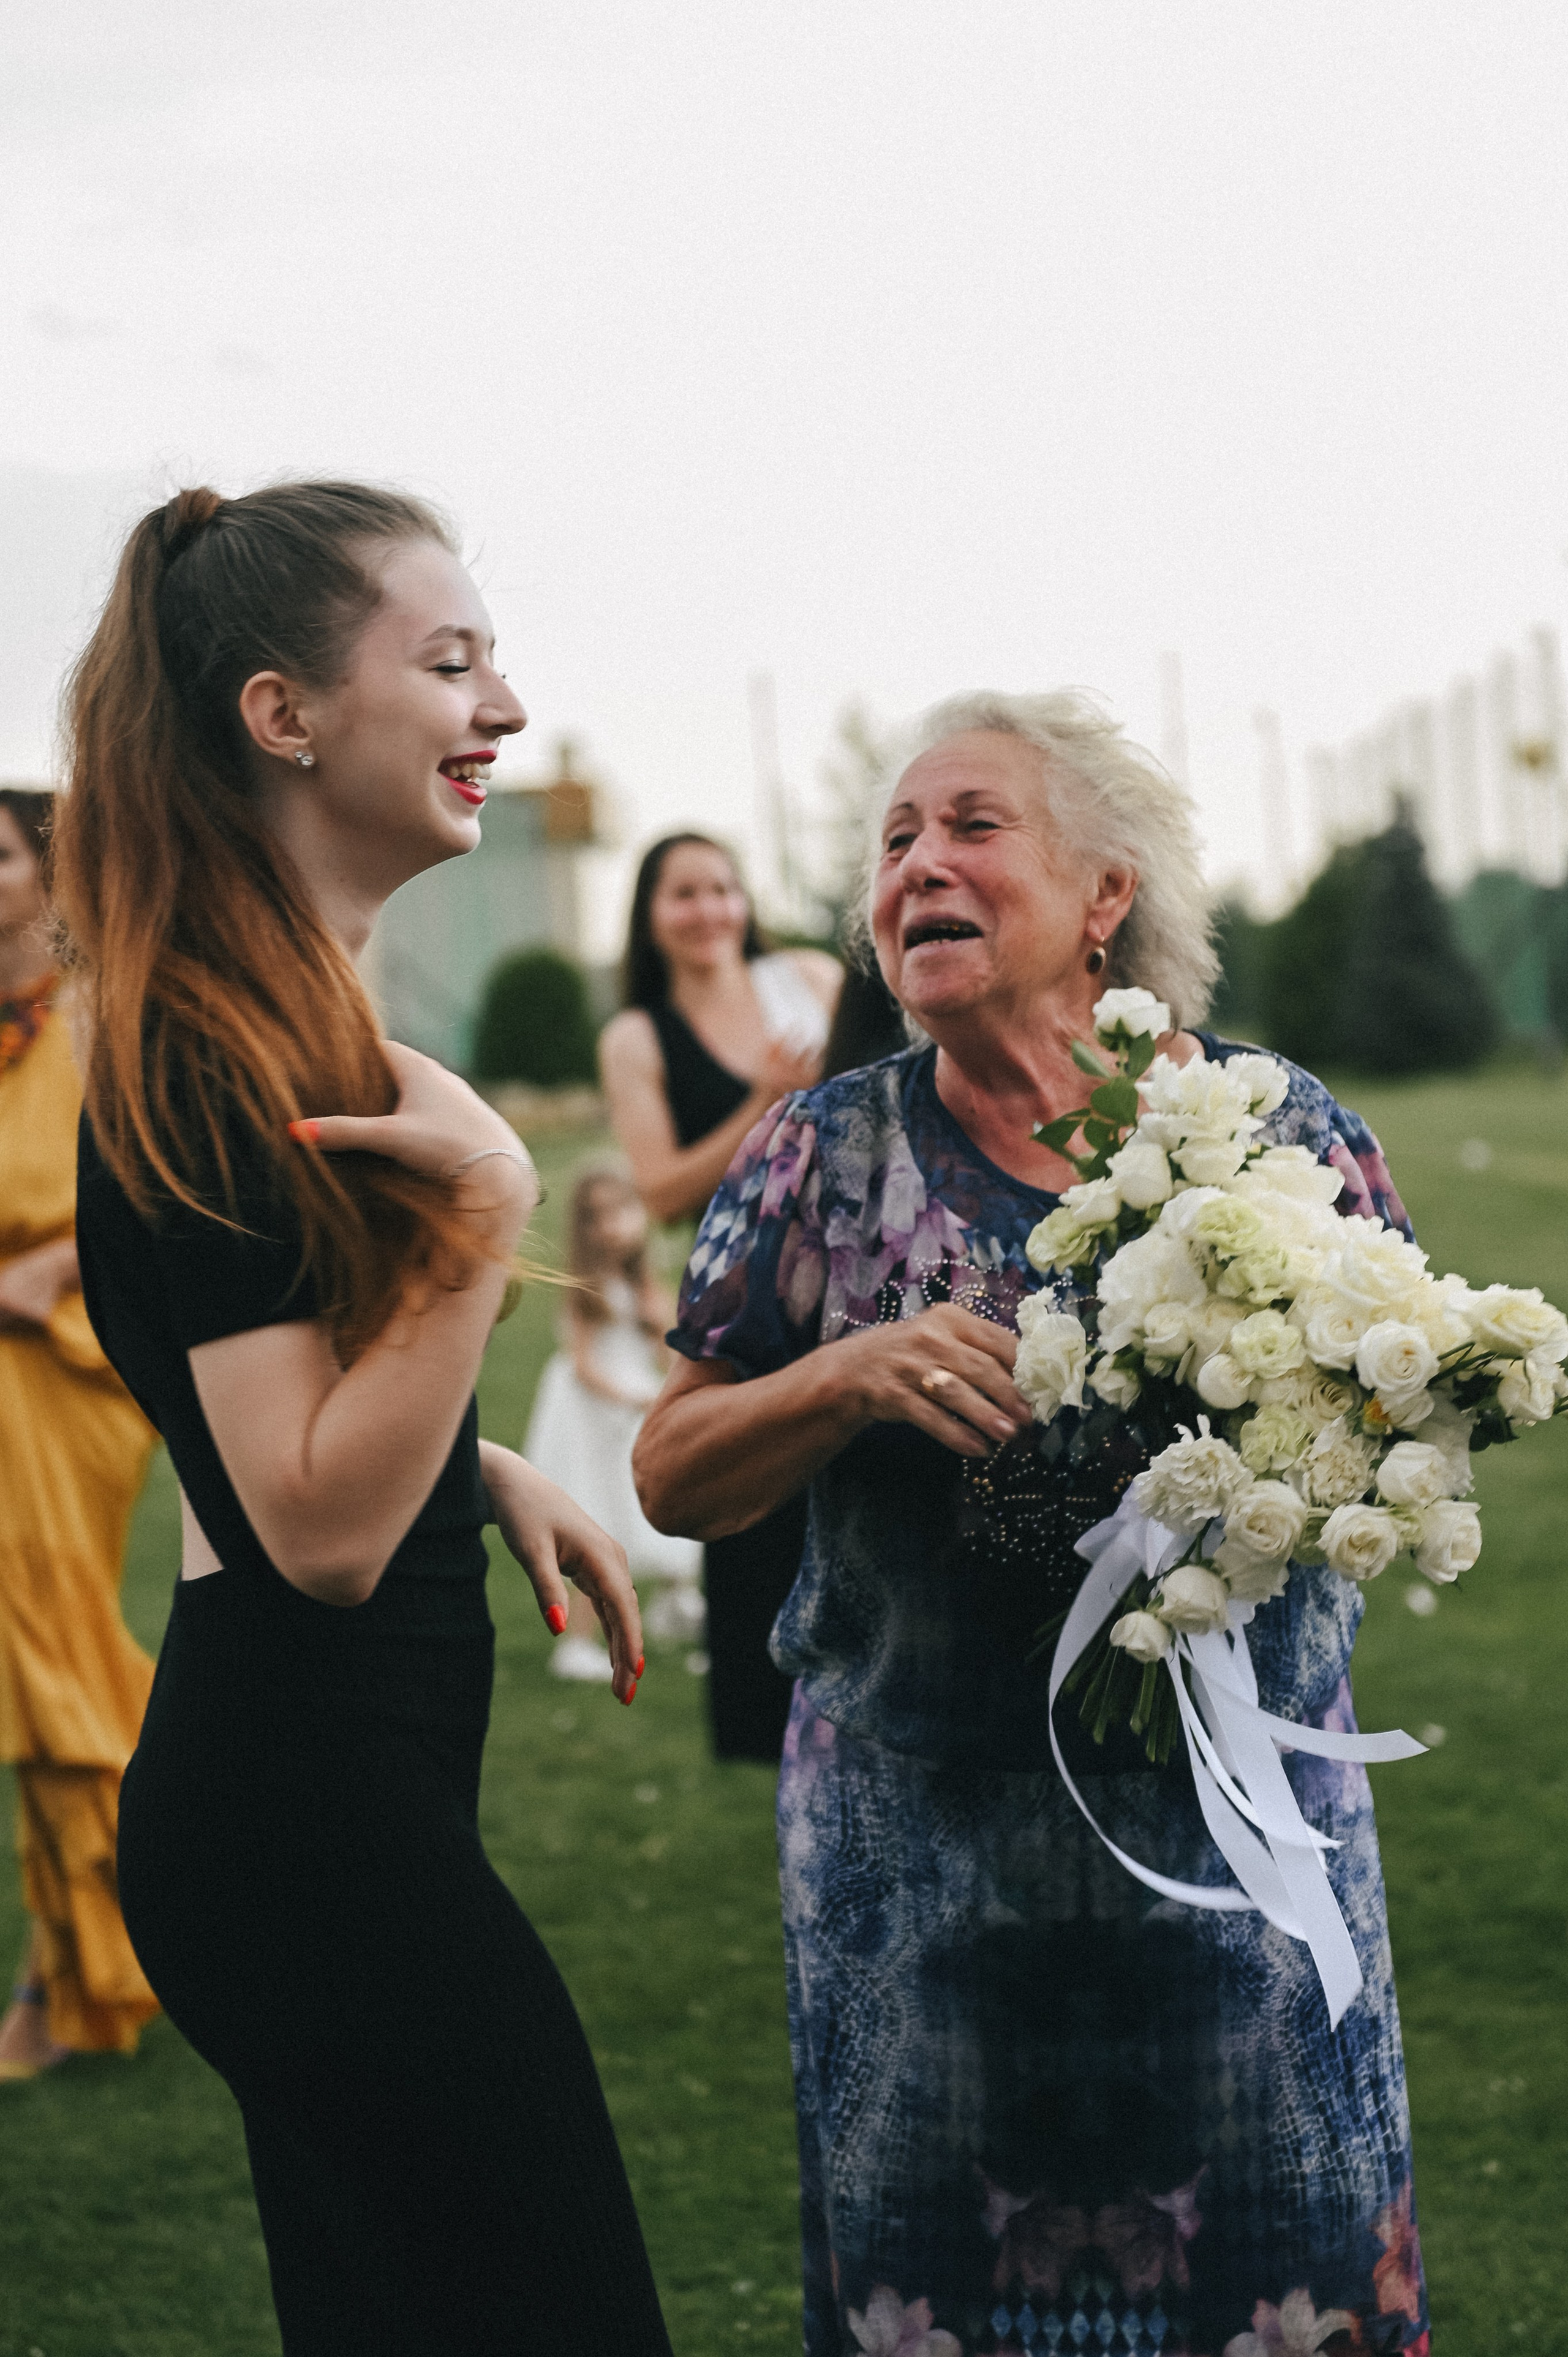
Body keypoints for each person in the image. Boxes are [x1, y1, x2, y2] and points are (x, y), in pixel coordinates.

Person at [635, 693, 1429, 2357]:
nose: (918, 863)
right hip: (920, 1894)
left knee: (1278, 2300)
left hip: (1239, 1880)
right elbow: (673, 1470)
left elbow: (1402, 1428)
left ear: (1104, 898)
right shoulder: (823, 1156)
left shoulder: (1287, 1141)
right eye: (895, 842)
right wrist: (844, 1377)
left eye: (973, 827)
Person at [53, 482, 673, 2356]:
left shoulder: (279, 1013)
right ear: (283, 713)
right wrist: (486, 1212)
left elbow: (257, 1422)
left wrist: (470, 1473)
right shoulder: (211, 1045)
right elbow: (312, 1533)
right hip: (300, 1823)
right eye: (451, 658)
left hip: (314, 1803)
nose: (506, 706)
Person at [599, 832, 840, 1760]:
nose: (709, 911)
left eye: (723, 889)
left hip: (854, 1281)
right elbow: (660, 1192)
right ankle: (773, 1737)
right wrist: (761, 1103)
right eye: (684, 894)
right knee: (761, 1511)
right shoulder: (636, 1035)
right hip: (743, 1309)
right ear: (652, 917)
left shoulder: (811, 982)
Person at [0, 786, 159, 2080]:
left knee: (53, 1654)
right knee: (27, 1669)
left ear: (51, 874)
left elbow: (162, 1185)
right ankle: (71, 1955)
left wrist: (50, 1268)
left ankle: (85, 1973)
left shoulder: (108, 1020)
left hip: (69, 1376)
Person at [526, 1158, 703, 1681]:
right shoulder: (588, 1284)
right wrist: (631, 1400)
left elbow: (663, 1349)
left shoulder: (643, 1280)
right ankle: (577, 1643)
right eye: (596, 1215)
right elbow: (582, 1365)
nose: (610, 1225)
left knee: (654, 1501)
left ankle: (675, 1598)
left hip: (632, 1402)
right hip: (593, 1410)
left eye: (619, 1210)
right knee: (595, 1514)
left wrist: (657, 1329)